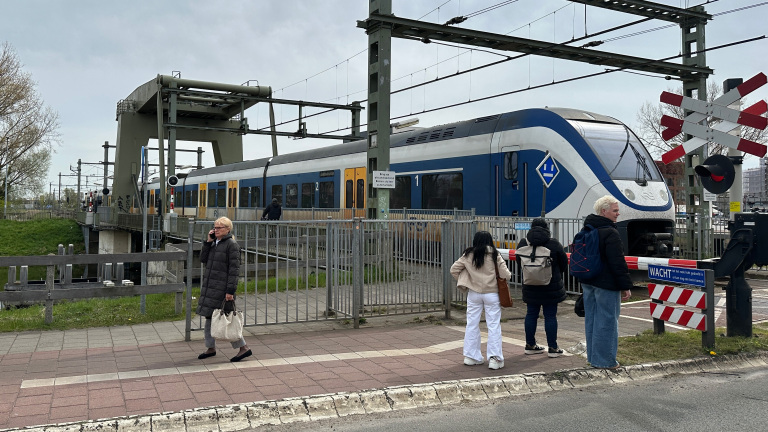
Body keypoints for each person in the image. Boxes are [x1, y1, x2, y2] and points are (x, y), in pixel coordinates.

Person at [576, 195, 632, 369]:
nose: (618, 214)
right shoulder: (610, 232)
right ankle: (606, 361)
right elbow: (617, 262)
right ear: (604, 211)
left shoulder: (587, 230)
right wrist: (625, 286)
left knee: (591, 320)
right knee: (607, 322)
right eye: (615, 210)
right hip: (607, 284)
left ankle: (593, 358)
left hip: (588, 282)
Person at [450, 231, 511, 370]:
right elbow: (506, 275)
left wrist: (467, 278)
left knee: (471, 324)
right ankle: (495, 359)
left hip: (474, 293)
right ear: (490, 240)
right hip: (492, 294)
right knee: (493, 325)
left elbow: (453, 270)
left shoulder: (468, 254)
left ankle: (471, 357)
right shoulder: (495, 255)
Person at [196, 216, 252, 362]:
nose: (216, 230)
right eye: (215, 227)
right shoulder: (214, 243)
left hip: (222, 288)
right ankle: (210, 347)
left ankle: (243, 348)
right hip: (211, 286)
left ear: (228, 229)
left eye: (219, 227)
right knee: (209, 316)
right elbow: (203, 259)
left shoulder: (231, 245)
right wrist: (208, 241)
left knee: (228, 318)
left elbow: (234, 270)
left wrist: (230, 291)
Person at [516, 218, 568, 358]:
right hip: (550, 286)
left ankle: (530, 345)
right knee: (550, 316)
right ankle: (553, 348)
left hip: (530, 285)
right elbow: (563, 263)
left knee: (531, 314)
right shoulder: (554, 243)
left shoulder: (523, 243)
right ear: (547, 228)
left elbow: (518, 262)